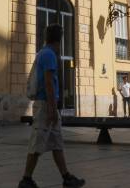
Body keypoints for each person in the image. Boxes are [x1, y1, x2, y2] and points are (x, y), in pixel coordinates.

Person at [19, 24, 85, 188]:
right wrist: (51, 108)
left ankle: (66, 177)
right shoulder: (49, 55)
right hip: (45, 106)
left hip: (47, 105)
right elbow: (48, 83)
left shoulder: (44, 53)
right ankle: (26, 179)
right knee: (37, 142)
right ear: (59, 40)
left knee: (56, 143)